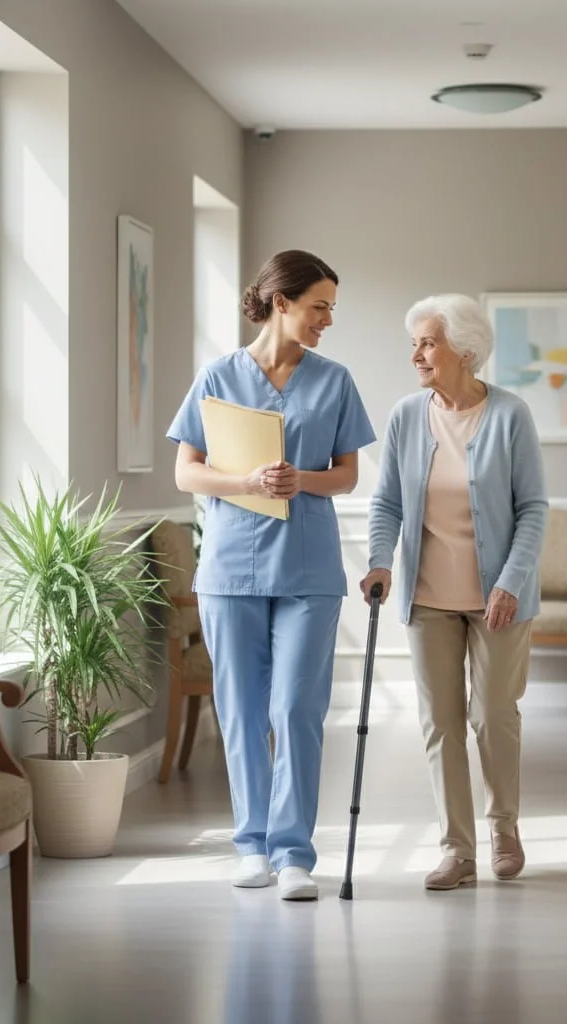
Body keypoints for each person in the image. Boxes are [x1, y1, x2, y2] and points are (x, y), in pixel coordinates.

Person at [168, 250, 376, 901]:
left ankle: (293, 855)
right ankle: (250, 845)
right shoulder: (218, 375)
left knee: (296, 708)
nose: (327, 321)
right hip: (230, 569)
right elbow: (186, 470)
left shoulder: (335, 380)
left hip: (310, 569)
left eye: (331, 310)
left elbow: (347, 474)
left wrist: (300, 480)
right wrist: (243, 482)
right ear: (281, 302)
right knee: (241, 710)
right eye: (319, 307)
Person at [360, 294, 547, 891]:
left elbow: (533, 510)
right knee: (439, 723)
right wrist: (378, 562)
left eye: (428, 342)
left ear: (464, 351)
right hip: (428, 598)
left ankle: (504, 827)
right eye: (414, 343)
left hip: (500, 599)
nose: (416, 353)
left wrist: (511, 582)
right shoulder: (406, 416)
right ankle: (456, 849)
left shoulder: (511, 415)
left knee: (492, 716)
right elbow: (387, 501)